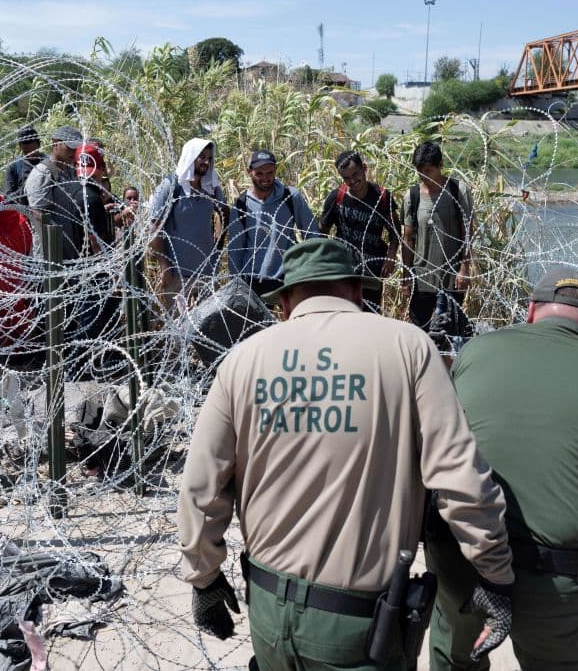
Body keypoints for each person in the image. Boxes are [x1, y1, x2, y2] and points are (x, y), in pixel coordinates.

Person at [178, 238, 515, 670]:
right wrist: (495, 573)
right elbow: (458, 477)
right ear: (357, 291)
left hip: (267, 609)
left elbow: (202, 488)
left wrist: (203, 579)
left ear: (284, 302)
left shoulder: (242, 360)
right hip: (360, 623)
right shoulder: (408, 348)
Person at [430, 266, 578, 671]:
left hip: (464, 555)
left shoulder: (476, 352)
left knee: (456, 657)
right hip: (557, 578)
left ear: (531, 311)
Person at [401, 140, 475, 330]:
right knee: (420, 332)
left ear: (440, 166)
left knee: (451, 332)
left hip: (452, 277)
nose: (424, 176)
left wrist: (464, 269)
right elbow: (408, 239)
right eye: (419, 171)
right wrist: (406, 276)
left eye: (429, 170)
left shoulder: (458, 191)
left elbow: (467, 234)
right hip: (422, 278)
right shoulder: (413, 196)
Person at [226, 149, 318, 297]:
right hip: (253, 279)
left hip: (288, 276)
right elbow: (235, 250)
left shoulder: (290, 197)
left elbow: (312, 234)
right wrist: (236, 287)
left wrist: (313, 270)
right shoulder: (242, 205)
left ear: (275, 170)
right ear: (249, 172)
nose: (265, 178)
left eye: (270, 172)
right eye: (260, 173)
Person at [147, 138, 226, 308]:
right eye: (202, 157)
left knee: (208, 328)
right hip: (177, 276)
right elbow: (154, 226)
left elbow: (224, 214)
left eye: (210, 158)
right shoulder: (171, 186)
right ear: (191, 157)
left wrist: (217, 250)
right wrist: (164, 266)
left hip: (206, 274)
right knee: (180, 329)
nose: (206, 162)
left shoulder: (211, 188)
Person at [318, 150, 400, 313]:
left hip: (371, 271)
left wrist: (391, 256)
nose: (353, 181)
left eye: (355, 174)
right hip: (343, 270)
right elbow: (322, 231)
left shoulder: (382, 197)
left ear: (364, 168)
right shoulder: (337, 197)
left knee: (369, 317)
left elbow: (395, 231)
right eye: (346, 178)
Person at [24, 125, 86, 261]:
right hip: (50, 252)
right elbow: (39, 215)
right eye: (69, 147)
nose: (73, 151)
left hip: (70, 248)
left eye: (76, 148)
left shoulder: (70, 171)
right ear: (55, 143)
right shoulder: (43, 173)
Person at [73, 142, 115, 251]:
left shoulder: (71, 190)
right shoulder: (92, 198)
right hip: (90, 261)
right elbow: (95, 241)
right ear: (100, 169)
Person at [4, 126, 47, 207]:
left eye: (33, 151)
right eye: (26, 152)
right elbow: (8, 198)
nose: (30, 154)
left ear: (38, 144)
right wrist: (27, 189)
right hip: (24, 214)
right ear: (20, 146)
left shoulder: (49, 164)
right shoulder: (14, 167)